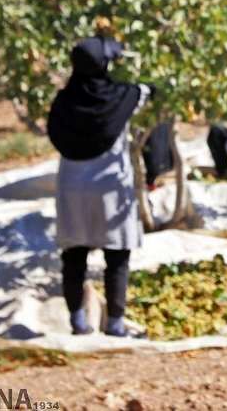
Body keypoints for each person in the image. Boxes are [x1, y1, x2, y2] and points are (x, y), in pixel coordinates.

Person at [46, 36, 153, 337]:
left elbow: (52, 131)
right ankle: (116, 324)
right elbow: (149, 91)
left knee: (74, 255)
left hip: (72, 186)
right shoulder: (124, 95)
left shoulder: (63, 101)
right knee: (117, 256)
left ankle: (78, 322)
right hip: (110, 186)